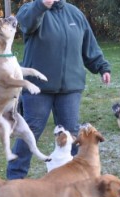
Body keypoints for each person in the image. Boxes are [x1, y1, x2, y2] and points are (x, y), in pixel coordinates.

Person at [7, 0, 111, 179]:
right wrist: (41, 5)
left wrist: (102, 67)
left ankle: (71, 179)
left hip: (70, 87)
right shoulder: (31, 9)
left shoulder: (75, 14)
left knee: (71, 134)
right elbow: (26, 24)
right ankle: (14, 180)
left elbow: (89, 45)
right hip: (38, 88)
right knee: (30, 131)